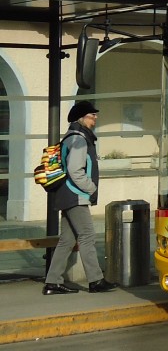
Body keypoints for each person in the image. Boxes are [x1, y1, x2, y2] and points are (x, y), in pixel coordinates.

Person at [43, 100, 118, 295]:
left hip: (67, 195)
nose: (95, 119)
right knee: (87, 236)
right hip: (75, 195)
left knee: (67, 240)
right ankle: (95, 280)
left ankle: (52, 282)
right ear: (81, 118)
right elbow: (75, 170)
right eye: (92, 116)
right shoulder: (78, 139)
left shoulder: (74, 136)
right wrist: (90, 187)